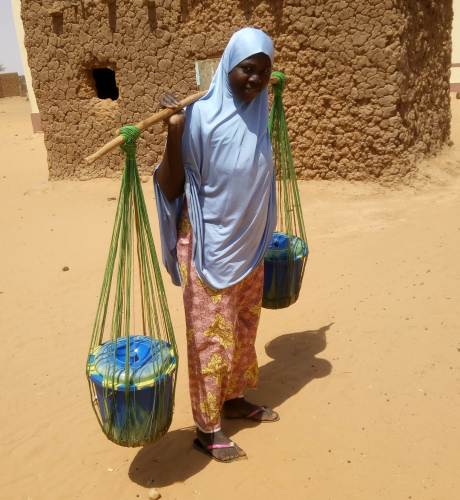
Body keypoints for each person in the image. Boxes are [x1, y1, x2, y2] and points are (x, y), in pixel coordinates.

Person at [154, 27, 279, 463]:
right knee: (210, 339)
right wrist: (174, 133)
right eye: (248, 68)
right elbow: (171, 186)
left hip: (250, 246)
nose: (255, 79)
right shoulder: (201, 116)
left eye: (263, 71)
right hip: (209, 249)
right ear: (229, 65)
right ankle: (206, 429)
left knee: (244, 329)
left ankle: (233, 398)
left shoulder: (261, 111)